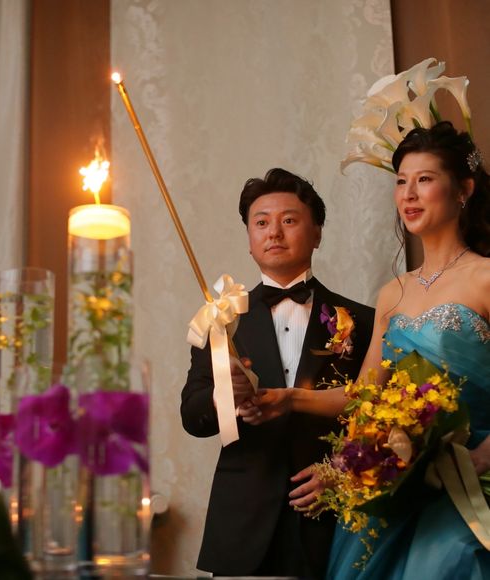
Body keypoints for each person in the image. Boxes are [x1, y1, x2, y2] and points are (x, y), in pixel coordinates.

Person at [249, 122, 490, 578]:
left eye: (424, 179)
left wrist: (480, 458)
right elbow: (364, 396)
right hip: (404, 482)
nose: (409, 194)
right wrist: (294, 404)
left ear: (464, 189)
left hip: (474, 480)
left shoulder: (485, 277)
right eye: (401, 181)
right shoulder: (392, 294)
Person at [180, 168, 374, 578]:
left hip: (331, 516)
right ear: (249, 239)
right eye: (261, 222)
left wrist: (341, 473)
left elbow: (375, 414)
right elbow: (192, 417)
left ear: (317, 233)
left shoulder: (363, 320)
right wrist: (226, 398)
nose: (274, 233)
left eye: (289, 220)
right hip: (242, 522)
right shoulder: (220, 321)